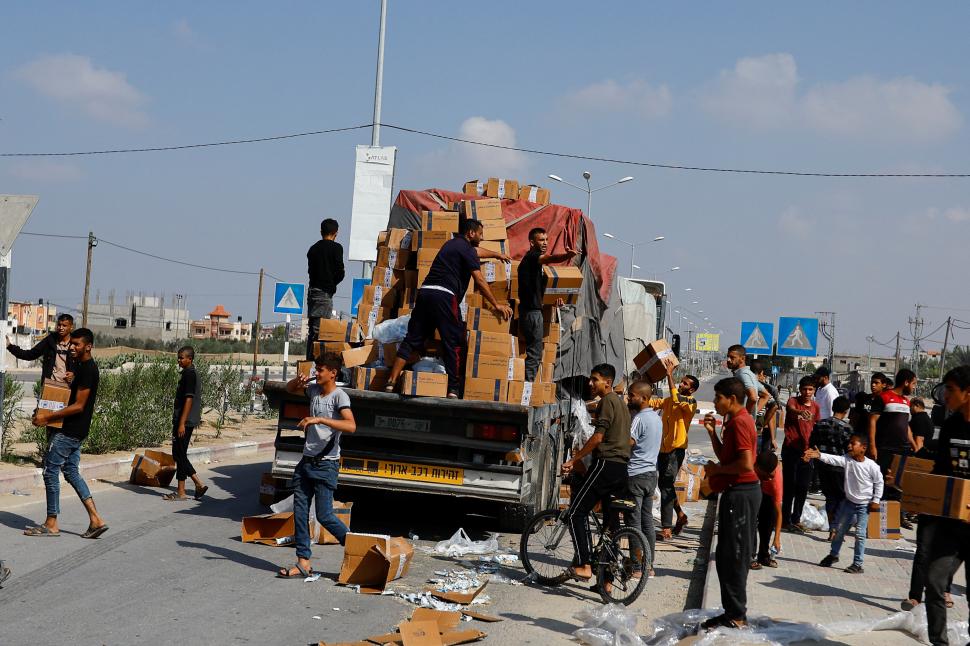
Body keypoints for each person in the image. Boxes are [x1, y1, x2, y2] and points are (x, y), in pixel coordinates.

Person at [386, 219, 512, 398]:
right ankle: (453, 389)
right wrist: (496, 304)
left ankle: (391, 382)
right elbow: (480, 280)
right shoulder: (467, 249)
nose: (482, 238)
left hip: (425, 293)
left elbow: (476, 251)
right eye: (480, 234)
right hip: (444, 296)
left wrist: (496, 255)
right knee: (453, 343)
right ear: (471, 233)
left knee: (412, 339)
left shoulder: (453, 244)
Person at [277, 353, 357, 578]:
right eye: (316, 369)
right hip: (306, 462)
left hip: (326, 465)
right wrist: (297, 382)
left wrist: (319, 419)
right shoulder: (313, 390)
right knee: (300, 512)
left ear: (333, 373)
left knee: (325, 516)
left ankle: (358, 549)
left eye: (321, 370)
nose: (317, 373)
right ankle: (303, 561)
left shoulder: (339, 397)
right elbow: (289, 389)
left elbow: (351, 425)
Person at [24, 328, 108, 539]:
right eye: (72, 343)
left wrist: (47, 418)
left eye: (77, 344)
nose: (72, 347)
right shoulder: (79, 367)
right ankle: (96, 520)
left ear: (88, 346)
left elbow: (79, 405)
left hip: (70, 430)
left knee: (50, 471)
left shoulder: (88, 369)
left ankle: (51, 523)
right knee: (70, 471)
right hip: (74, 429)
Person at [561, 363, 631, 583]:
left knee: (575, 513)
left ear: (607, 382)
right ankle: (608, 583)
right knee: (611, 525)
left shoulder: (607, 402)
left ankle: (584, 565)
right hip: (621, 468)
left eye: (594, 379)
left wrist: (575, 458)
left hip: (605, 465)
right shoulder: (621, 404)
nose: (590, 383)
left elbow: (598, 437)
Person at [701, 377, 761, 630]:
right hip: (736, 493)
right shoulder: (733, 422)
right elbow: (726, 455)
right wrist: (712, 434)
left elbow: (746, 464)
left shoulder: (740, 422)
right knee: (726, 556)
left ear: (732, 399)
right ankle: (732, 612)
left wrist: (717, 471)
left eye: (718, 398)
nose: (715, 403)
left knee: (735, 555)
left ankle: (737, 615)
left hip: (742, 494)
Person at [920, 365, 970, 645]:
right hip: (950, 522)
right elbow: (939, 470)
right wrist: (916, 490)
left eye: (951, 389)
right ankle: (939, 642)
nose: (945, 394)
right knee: (936, 582)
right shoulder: (951, 425)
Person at [809, 433, 884, 574]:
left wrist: (876, 500)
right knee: (839, 531)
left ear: (863, 448)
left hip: (864, 506)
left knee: (860, 535)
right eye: (849, 443)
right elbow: (834, 459)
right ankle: (833, 555)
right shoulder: (847, 459)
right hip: (849, 504)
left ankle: (858, 564)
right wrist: (819, 455)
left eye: (853, 443)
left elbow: (879, 482)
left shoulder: (871, 466)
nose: (849, 445)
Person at [517, 227, 577, 381]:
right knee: (535, 353)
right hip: (531, 313)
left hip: (533, 312)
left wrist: (554, 301)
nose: (545, 243)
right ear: (532, 242)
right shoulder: (532, 257)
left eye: (546, 240)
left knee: (534, 352)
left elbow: (541, 292)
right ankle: (527, 387)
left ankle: (525, 384)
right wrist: (566, 255)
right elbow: (549, 258)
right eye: (541, 240)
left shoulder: (535, 267)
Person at [651, 365, 698, 540]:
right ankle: (680, 515)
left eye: (685, 383)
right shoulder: (670, 400)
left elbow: (677, 399)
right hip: (663, 449)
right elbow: (655, 402)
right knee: (666, 485)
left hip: (675, 450)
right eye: (681, 382)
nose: (681, 384)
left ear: (691, 389)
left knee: (666, 487)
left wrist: (669, 375)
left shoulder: (690, 402)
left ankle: (666, 528)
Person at [869, 369, 917, 530]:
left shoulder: (906, 402)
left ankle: (891, 525)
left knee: (896, 487)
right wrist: (873, 446)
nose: (914, 387)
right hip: (884, 449)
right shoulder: (884, 397)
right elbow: (873, 422)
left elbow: (906, 426)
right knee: (881, 485)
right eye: (914, 383)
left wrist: (914, 444)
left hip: (902, 450)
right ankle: (877, 526)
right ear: (906, 382)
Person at [626, 380, 662, 578]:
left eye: (632, 395)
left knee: (634, 521)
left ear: (644, 398)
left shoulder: (639, 419)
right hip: (650, 474)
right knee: (647, 521)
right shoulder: (657, 419)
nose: (629, 398)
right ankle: (649, 565)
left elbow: (629, 443)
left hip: (636, 475)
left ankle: (637, 567)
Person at [163, 346, 208, 502]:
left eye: (182, 357)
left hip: (185, 421)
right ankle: (181, 491)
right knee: (179, 454)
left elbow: (188, 399)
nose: (179, 360)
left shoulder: (189, 374)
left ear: (190, 359)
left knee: (179, 454)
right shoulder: (191, 373)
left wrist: (181, 423)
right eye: (179, 357)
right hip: (187, 419)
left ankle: (198, 483)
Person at [809, 395, 853, 535]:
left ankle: (831, 526)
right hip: (840, 467)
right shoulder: (847, 429)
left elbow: (812, 444)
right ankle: (835, 527)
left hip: (822, 466)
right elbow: (849, 450)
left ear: (833, 408)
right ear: (846, 411)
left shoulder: (820, 424)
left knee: (829, 497)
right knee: (841, 497)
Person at [781, 376, 819, 533]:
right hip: (791, 450)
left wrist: (814, 450)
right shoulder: (793, 401)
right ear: (800, 389)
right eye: (804, 389)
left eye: (810, 389)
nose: (807, 392)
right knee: (789, 486)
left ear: (814, 390)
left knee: (803, 487)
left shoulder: (816, 407)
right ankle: (785, 520)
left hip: (807, 452)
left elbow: (816, 428)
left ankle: (796, 519)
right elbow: (790, 410)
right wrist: (801, 412)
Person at [306, 218, 346, 359]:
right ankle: (313, 364)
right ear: (336, 233)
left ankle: (309, 362)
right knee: (320, 331)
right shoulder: (337, 248)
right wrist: (331, 284)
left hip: (312, 292)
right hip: (324, 294)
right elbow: (340, 272)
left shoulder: (313, 249)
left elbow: (311, 271)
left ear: (321, 232)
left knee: (313, 329)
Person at [6, 313, 75, 384]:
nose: (61, 328)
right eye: (59, 325)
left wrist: (74, 374)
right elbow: (30, 354)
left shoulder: (76, 343)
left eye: (64, 325)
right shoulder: (50, 340)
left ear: (71, 327)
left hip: (68, 387)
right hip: (49, 385)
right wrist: (10, 346)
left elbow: (83, 364)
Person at [751, 451, 782, 570]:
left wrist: (777, 539)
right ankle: (749, 556)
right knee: (751, 520)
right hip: (753, 488)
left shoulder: (775, 482)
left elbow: (779, 513)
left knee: (768, 521)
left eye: (771, 475)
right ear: (757, 468)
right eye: (767, 475)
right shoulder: (751, 466)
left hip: (768, 494)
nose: (769, 477)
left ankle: (763, 555)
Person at [725, 345, 768, 415]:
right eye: (728, 357)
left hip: (739, 424)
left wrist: (745, 415)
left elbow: (753, 397)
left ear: (742, 358)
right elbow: (765, 395)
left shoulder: (743, 374)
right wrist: (752, 414)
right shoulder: (749, 374)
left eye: (732, 357)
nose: (728, 360)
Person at [850, 372, 890, 437]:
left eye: (876, 383)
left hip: (878, 437)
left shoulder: (886, 401)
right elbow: (855, 417)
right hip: (861, 436)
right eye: (872, 382)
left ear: (884, 385)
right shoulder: (864, 399)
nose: (873, 385)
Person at [752, 360, 780, 452]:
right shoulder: (764, 389)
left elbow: (773, 411)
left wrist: (772, 438)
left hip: (760, 430)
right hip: (759, 430)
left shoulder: (767, 390)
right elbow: (773, 409)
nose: (763, 378)